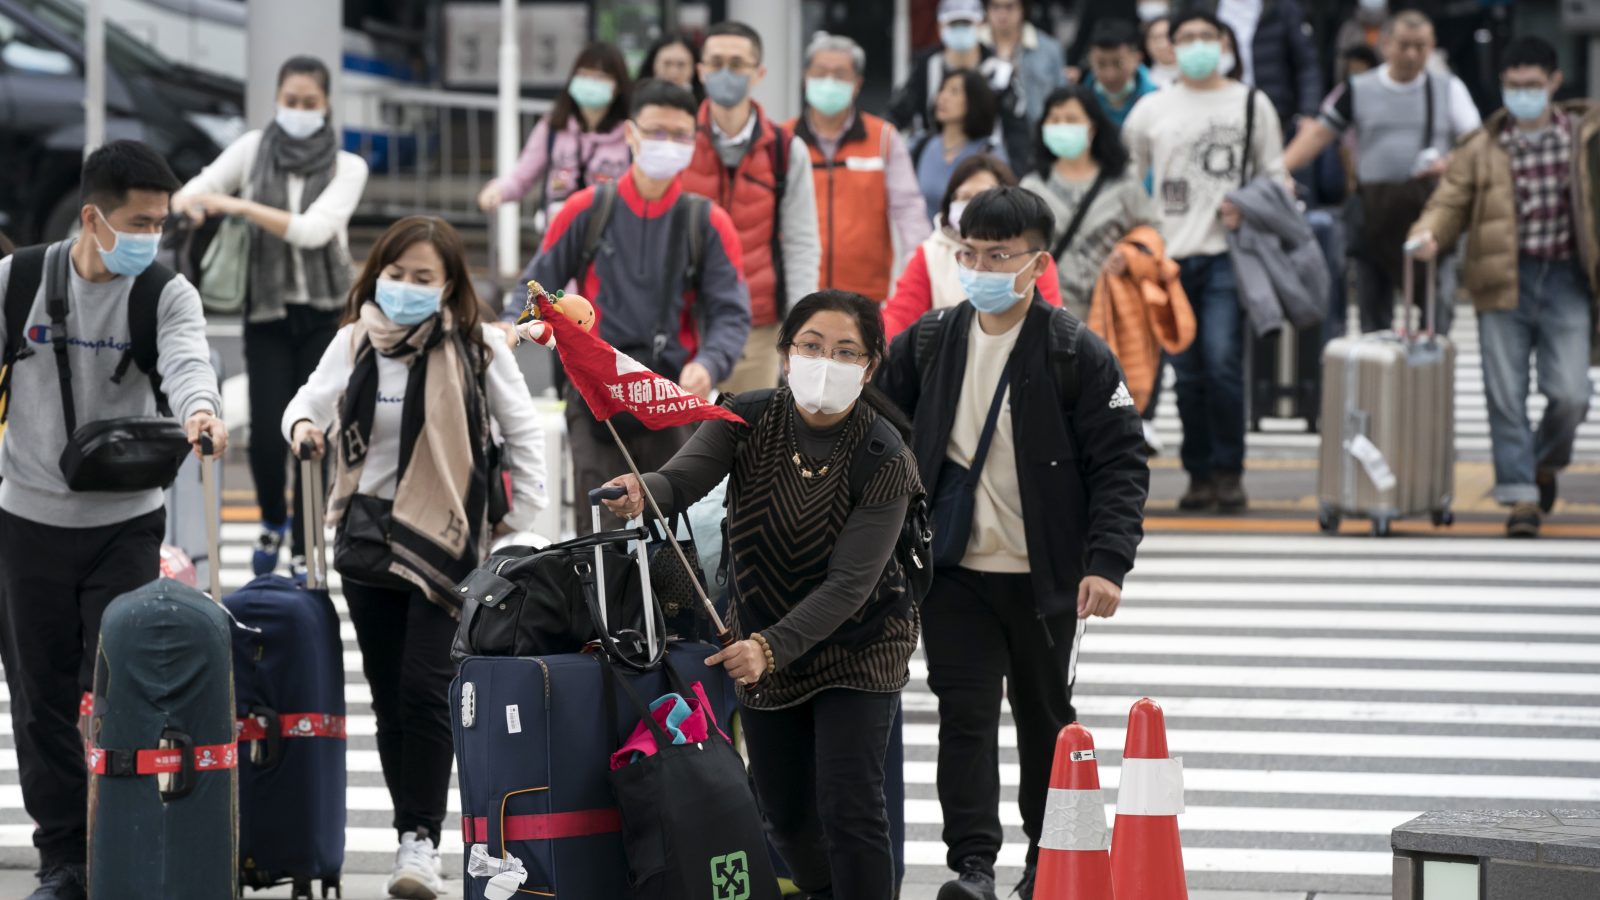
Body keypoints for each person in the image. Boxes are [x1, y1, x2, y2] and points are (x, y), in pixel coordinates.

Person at [601, 290, 924, 900]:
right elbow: (680, 480)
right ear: (784, 354)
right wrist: (642, 490)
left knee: (850, 804)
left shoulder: (885, 456)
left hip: (857, 643)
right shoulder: (744, 419)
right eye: (811, 346)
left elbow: (851, 585)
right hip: (762, 634)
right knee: (784, 814)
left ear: (870, 366)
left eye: (845, 351)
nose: (825, 360)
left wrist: (769, 648)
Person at [875, 186, 1148, 900]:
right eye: (970, 253)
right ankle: (972, 866)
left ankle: (1046, 860)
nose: (981, 267)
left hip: (1044, 576)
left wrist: (1108, 563)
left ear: (1036, 263)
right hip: (954, 571)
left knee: (1043, 721)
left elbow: (1121, 463)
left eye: (999, 255)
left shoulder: (1074, 353)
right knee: (964, 715)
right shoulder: (930, 341)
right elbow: (875, 429)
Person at [284, 216, 548, 899]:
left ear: (450, 285)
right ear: (377, 273)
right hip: (368, 546)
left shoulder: (481, 346)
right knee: (389, 701)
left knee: (425, 690)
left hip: (449, 548)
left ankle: (423, 842)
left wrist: (521, 531)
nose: (404, 288)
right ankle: (413, 832)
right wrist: (306, 426)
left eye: (423, 278)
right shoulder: (355, 342)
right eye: (396, 274)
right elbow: (301, 406)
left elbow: (523, 437)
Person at [0, 140, 229, 900]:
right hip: (26, 521)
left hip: (126, 522)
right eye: (138, 222)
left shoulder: (164, 293)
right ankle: (63, 860)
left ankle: (121, 849)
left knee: (121, 694)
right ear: (92, 218)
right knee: (40, 704)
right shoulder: (18, 282)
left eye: (160, 224)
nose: (150, 238)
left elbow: (189, 359)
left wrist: (201, 410)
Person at [527, 79, 752, 533]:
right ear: (630, 134)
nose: (668, 145)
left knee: (674, 535)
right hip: (596, 396)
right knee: (602, 539)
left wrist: (709, 363)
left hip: (670, 395)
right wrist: (513, 329)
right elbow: (535, 287)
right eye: (656, 132)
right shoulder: (586, 209)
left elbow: (731, 313)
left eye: (681, 135)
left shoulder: (707, 221)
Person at [173, 55, 368, 578]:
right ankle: (272, 522)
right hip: (266, 310)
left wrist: (235, 206)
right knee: (264, 433)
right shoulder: (254, 148)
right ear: (277, 100)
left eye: (310, 102)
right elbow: (191, 191)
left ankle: (307, 543)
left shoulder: (348, 166)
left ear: (326, 106)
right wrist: (195, 202)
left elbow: (312, 231)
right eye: (291, 101)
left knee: (313, 429)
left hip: (326, 314)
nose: (299, 110)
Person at [1409, 36, 1599, 539]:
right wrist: (1428, 234)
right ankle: (1520, 498)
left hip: (1566, 279)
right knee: (1504, 395)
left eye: (1533, 86)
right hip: (1500, 279)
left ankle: (1543, 464)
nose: (1523, 95)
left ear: (1555, 83)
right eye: (1513, 86)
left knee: (1571, 394)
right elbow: (1450, 201)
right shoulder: (1482, 146)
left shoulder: (1585, 137)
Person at [1122, 10, 1286, 513]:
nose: (1196, 45)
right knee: (1188, 374)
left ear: (1223, 44)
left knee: (1221, 365)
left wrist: (1250, 206)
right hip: (1168, 262)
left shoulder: (1252, 103)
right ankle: (1198, 473)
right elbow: (1129, 181)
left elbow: (1275, 177)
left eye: (1205, 37)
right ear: (1168, 47)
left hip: (1225, 257)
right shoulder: (1151, 109)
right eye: (1185, 37)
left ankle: (1229, 471)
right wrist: (1143, 236)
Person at [1282, 10, 1480, 335]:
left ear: (1431, 47)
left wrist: (1449, 164)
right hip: (1374, 213)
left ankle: (1431, 374)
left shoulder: (1448, 88)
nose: (1412, 54)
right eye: (1404, 45)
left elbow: (1476, 144)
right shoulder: (1359, 88)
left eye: (1421, 46)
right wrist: (1279, 168)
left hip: (1429, 216)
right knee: (1374, 315)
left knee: (1438, 308)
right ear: (1386, 44)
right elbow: (1319, 133)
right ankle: (1380, 379)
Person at [682, 21, 821, 395]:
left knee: (747, 443)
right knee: (680, 446)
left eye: (737, 63)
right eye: (716, 62)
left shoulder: (784, 149)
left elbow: (801, 242)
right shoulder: (679, 142)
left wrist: (800, 328)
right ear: (700, 71)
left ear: (758, 73)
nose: (725, 72)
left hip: (756, 327)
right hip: (683, 322)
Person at [789, 32, 931, 303]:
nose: (829, 81)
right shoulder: (784, 140)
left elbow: (909, 211)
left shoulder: (884, 139)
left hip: (864, 297)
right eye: (820, 72)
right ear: (806, 77)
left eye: (840, 74)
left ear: (857, 84)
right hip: (797, 294)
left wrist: (918, 277)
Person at [885, 154, 1064, 338]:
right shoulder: (931, 253)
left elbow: (1049, 321)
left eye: (996, 256)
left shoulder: (1028, 257)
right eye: (962, 197)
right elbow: (899, 316)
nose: (979, 267)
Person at [1021, 85, 1157, 319]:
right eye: (1054, 120)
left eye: (1071, 119)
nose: (1062, 126)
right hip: (1053, 312)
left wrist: (1130, 256)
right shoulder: (1032, 187)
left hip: (1115, 310)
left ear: (1092, 127)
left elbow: (1152, 235)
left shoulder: (1122, 183)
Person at [478, 43, 633, 225]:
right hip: (557, 233)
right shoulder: (553, 126)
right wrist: (497, 190)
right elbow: (522, 176)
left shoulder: (631, 132)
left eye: (600, 78)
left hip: (610, 236)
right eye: (584, 75)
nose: (591, 83)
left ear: (618, 85)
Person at [889, 0, 1034, 175]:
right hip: (935, 160)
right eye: (953, 24)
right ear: (940, 26)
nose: (960, 29)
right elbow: (898, 114)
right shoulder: (926, 66)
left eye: (966, 23)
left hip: (985, 164)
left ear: (980, 23)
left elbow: (1018, 132)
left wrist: (1013, 176)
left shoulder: (1001, 72)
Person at [1194, 0, 1321, 139]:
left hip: (1274, 115)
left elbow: (1306, 63)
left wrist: (1309, 112)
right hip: (1216, 112)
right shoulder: (1205, 7)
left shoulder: (1282, 8)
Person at [915, 69, 1008, 221]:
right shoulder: (921, 145)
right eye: (942, 89)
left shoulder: (989, 152)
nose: (943, 97)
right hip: (925, 241)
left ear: (974, 100)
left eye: (954, 91)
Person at [978, 0, 1068, 127]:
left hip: (1036, 133)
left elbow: (1061, 97)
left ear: (1023, 8)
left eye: (1009, 7)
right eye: (995, 7)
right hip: (986, 133)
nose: (1002, 14)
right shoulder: (972, 46)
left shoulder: (1050, 48)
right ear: (986, 9)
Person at [1081, 18, 1160, 128]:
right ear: (1090, 60)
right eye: (1101, 64)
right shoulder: (1079, 101)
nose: (1110, 75)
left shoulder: (1157, 97)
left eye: (1118, 64)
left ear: (1137, 59)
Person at [639, 31, 702, 102]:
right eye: (667, 64)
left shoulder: (705, 107)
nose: (673, 72)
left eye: (681, 65)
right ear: (653, 64)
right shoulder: (638, 102)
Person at [1143, 13, 1180, 87]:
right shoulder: (1142, 81)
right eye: (1157, 38)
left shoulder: (1196, 76)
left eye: (1169, 36)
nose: (1164, 44)